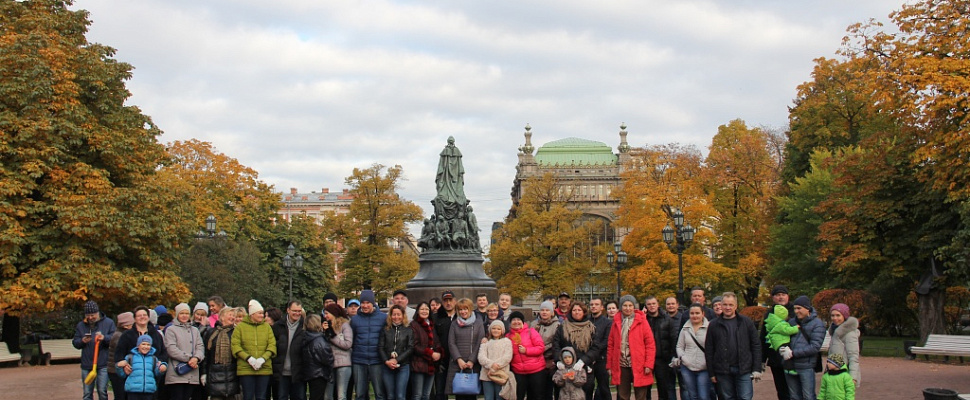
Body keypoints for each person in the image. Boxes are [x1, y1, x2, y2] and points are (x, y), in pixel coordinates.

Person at [704, 293, 761, 400]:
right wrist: (711, 372)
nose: (728, 307)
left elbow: (756, 345)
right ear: (721, 305)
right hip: (722, 370)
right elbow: (709, 349)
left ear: (736, 306)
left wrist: (757, 368)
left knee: (745, 397)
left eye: (730, 304)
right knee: (727, 397)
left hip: (743, 368)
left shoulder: (746, 322)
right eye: (725, 304)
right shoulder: (713, 325)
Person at [606, 295, 656, 400]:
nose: (628, 308)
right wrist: (609, 365)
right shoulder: (616, 322)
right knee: (623, 394)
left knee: (641, 394)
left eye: (630, 305)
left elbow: (650, 344)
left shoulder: (642, 321)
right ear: (621, 307)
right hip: (621, 364)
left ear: (634, 307)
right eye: (625, 305)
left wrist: (649, 364)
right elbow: (611, 345)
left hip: (639, 364)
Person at [552, 301, 601, 399]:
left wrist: (583, 361)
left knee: (585, 395)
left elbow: (595, 348)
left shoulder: (591, 328)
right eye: (574, 310)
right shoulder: (562, 327)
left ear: (584, 312)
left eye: (579, 310)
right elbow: (556, 345)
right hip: (565, 368)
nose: (577, 312)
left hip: (584, 368)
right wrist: (558, 360)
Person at [781, 296, 825, 400]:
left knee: (808, 396)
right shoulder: (791, 322)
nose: (796, 311)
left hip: (806, 366)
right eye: (795, 308)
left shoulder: (817, 324)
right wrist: (782, 349)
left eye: (799, 308)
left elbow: (815, 347)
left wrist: (793, 353)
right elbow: (783, 338)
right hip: (790, 364)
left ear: (807, 308)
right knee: (794, 396)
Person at [232, 299, 278, 400]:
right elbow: (236, 346)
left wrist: (263, 359)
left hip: (264, 368)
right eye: (260, 313)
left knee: (261, 397)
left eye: (263, 313)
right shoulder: (240, 328)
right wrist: (249, 358)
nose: (262, 316)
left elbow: (272, 345)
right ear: (252, 314)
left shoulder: (267, 327)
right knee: (247, 396)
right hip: (246, 368)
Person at [74, 300, 116, 400]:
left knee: (102, 391)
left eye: (92, 315)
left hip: (103, 363)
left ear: (98, 313)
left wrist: (104, 338)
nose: (90, 317)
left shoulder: (109, 323)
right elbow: (75, 342)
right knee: (87, 393)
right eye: (88, 315)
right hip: (87, 363)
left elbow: (114, 339)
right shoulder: (81, 325)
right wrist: (82, 341)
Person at [446, 298, 485, 400]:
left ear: (470, 309)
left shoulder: (478, 323)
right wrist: (458, 359)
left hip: (473, 363)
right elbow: (451, 342)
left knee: (472, 394)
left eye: (465, 309)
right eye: (460, 310)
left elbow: (479, 342)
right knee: (459, 394)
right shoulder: (454, 324)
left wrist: (472, 360)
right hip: (458, 363)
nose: (463, 312)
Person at [352, 289, 388, 400]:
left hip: (376, 360)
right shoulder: (354, 320)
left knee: (379, 393)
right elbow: (352, 339)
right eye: (363, 303)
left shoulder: (383, 318)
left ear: (373, 303)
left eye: (368, 303)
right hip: (359, 360)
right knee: (360, 394)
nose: (365, 305)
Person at [164, 303, 205, 400]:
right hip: (176, 372)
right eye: (182, 313)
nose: (184, 315)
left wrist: (196, 358)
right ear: (177, 314)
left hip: (192, 372)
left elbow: (200, 347)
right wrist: (189, 358)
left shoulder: (195, 330)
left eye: (187, 313)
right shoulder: (171, 330)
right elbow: (171, 349)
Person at [116, 306, 168, 380]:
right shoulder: (127, 335)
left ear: (148, 317)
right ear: (134, 318)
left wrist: (161, 363)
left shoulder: (156, 335)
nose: (142, 317)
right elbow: (119, 353)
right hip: (132, 374)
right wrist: (124, 365)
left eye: (144, 315)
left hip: (152, 376)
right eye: (139, 315)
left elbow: (163, 352)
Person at [760, 285, 792, 400]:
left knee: (794, 389)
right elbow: (764, 336)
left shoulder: (794, 310)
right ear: (773, 298)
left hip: (792, 356)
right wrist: (762, 359)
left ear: (788, 296)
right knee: (782, 390)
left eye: (783, 295)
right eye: (778, 295)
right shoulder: (769, 314)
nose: (781, 297)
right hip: (775, 358)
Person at [644, 296, 678, 400]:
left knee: (664, 388)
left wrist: (673, 355)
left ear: (658, 305)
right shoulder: (643, 320)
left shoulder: (667, 319)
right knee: (646, 388)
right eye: (649, 304)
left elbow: (673, 339)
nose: (652, 306)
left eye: (653, 303)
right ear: (646, 306)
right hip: (647, 359)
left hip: (662, 358)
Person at [673, 303, 710, 400]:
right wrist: (684, 358)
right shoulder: (684, 329)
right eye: (692, 313)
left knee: (703, 396)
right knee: (692, 396)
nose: (695, 316)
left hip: (704, 367)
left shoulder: (709, 328)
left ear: (703, 314)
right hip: (687, 368)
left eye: (697, 313)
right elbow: (679, 346)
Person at [507, 310, 546, 400]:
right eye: (513, 320)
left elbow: (540, 347)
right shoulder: (508, 337)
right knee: (518, 396)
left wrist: (527, 350)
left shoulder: (530, 332)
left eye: (518, 319)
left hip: (536, 370)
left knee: (536, 396)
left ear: (522, 321)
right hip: (519, 372)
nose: (516, 322)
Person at [274, 301, 308, 400]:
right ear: (288, 310)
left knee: (299, 397)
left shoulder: (305, 327)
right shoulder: (278, 326)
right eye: (294, 311)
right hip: (281, 372)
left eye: (299, 311)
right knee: (281, 396)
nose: (297, 313)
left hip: (298, 373)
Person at [203, 307, 240, 400]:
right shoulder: (211, 333)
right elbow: (206, 354)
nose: (233, 317)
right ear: (222, 317)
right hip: (215, 374)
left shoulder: (237, 332)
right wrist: (203, 373)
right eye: (230, 315)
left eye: (234, 316)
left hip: (232, 374)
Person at [119, 334, 168, 400]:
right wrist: (119, 367)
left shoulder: (153, 359)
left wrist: (162, 369)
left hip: (149, 391)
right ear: (138, 345)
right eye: (143, 344)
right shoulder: (130, 357)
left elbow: (157, 373)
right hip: (133, 391)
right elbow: (122, 374)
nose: (146, 347)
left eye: (148, 345)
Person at [380, 305, 414, 400]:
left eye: (398, 314)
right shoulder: (385, 330)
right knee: (390, 395)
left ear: (403, 316)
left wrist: (397, 360)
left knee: (400, 396)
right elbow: (381, 347)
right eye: (394, 314)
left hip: (403, 365)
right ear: (390, 316)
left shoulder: (408, 330)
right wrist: (387, 361)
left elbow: (410, 348)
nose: (396, 317)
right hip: (387, 365)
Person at [411, 302, 443, 400]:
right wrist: (430, 353)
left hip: (431, 364)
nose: (424, 311)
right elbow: (414, 345)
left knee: (427, 394)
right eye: (422, 309)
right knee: (417, 395)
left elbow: (436, 341)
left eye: (426, 309)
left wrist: (438, 353)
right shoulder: (414, 325)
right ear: (417, 311)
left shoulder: (431, 324)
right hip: (419, 363)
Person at [530, 300, 560, 400]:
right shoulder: (534, 324)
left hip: (549, 361)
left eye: (547, 310)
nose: (544, 312)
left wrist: (541, 349)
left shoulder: (557, 325)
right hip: (535, 361)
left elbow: (556, 342)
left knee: (548, 391)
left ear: (552, 312)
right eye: (542, 310)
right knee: (536, 391)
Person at [479, 320, 515, 400]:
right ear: (490, 330)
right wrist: (491, 365)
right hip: (487, 374)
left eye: (498, 329)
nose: (496, 330)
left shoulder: (507, 342)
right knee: (488, 397)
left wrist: (495, 367)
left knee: (500, 397)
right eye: (494, 328)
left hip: (501, 374)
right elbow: (481, 357)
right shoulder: (486, 342)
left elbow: (507, 357)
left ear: (502, 331)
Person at [324, 303, 354, 400]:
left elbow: (347, 344)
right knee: (327, 395)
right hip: (329, 364)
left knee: (341, 395)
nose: (325, 316)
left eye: (327, 313)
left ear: (333, 313)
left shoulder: (345, 326)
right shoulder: (325, 326)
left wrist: (332, 336)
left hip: (343, 364)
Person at [825, 304, 860, 387]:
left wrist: (853, 378)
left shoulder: (850, 334)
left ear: (844, 316)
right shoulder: (834, 332)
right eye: (832, 315)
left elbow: (853, 357)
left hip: (844, 374)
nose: (835, 318)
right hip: (833, 372)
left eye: (838, 315)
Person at [303, 314, 335, 400]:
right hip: (319, 373)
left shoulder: (305, 337)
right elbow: (327, 358)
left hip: (309, 372)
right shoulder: (320, 340)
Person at [434, 291, 458, 400]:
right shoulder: (435, 318)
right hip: (441, 360)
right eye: (445, 301)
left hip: (458, 360)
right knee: (440, 390)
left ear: (455, 301)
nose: (448, 303)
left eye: (450, 300)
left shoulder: (461, 317)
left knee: (461, 389)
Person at [588, 297, 612, 400]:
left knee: (604, 388)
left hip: (601, 359)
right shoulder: (585, 321)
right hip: (587, 359)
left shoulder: (607, 322)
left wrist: (594, 355)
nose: (593, 306)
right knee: (588, 387)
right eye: (592, 304)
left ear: (602, 307)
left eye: (596, 304)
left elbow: (605, 341)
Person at [764, 305, 799, 371]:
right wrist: (796, 328)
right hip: (782, 342)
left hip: (777, 342)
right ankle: (790, 368)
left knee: (785, 355)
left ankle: (789, 368)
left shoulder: (774, 323)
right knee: (787, 355)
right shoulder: (781, 324)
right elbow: (787, 330)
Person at [109, 312, 134, 400]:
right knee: (120, 395)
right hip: (115, 371)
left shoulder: (122, 334)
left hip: (119, 370)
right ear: (126, 326)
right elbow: (123, 351)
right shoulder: (119, 336)